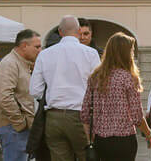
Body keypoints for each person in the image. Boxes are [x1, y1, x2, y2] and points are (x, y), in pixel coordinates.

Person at [29, 15, 102, 161]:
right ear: (79, 31)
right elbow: (98, 88)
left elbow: (34, 90)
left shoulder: (44, 54)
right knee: (85, 156)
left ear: (60, 32)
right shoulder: (91, 54)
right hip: (81, 116)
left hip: (53, 116)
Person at [80, 32, 151, 160]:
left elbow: (85, 114)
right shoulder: (128, 77)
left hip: (100, 140)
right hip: (124, 140)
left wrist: (90, 138)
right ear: (126, 53)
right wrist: (148, 133)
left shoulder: (95, 77)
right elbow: (137, 115)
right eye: (131, 51)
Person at [0, 29, 41, 161]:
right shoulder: (10, 64)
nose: (40, 50)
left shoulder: (22, 63)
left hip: (17, 127)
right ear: (24, 46)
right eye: (37, 47)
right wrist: (19, 123)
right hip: (13, 127)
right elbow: (4, 97)